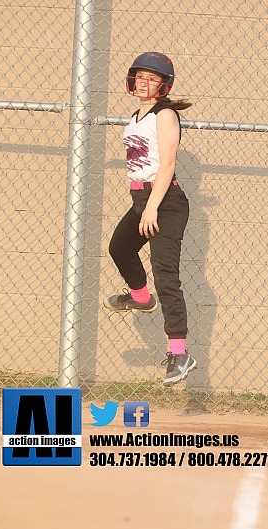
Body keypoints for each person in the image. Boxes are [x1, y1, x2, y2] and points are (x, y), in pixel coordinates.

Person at [103, 51, 196, 386]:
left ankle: (180, 353)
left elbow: (167, 164)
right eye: (140, 76)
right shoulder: (136, 115)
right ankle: (141, 298)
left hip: (165, 202)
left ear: (163, 85)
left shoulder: (165, 114)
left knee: (166, 275)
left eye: (151, 78)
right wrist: (145, 204)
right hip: (143, 198)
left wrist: (153, 206)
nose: (144, 82)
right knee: (120, 248)